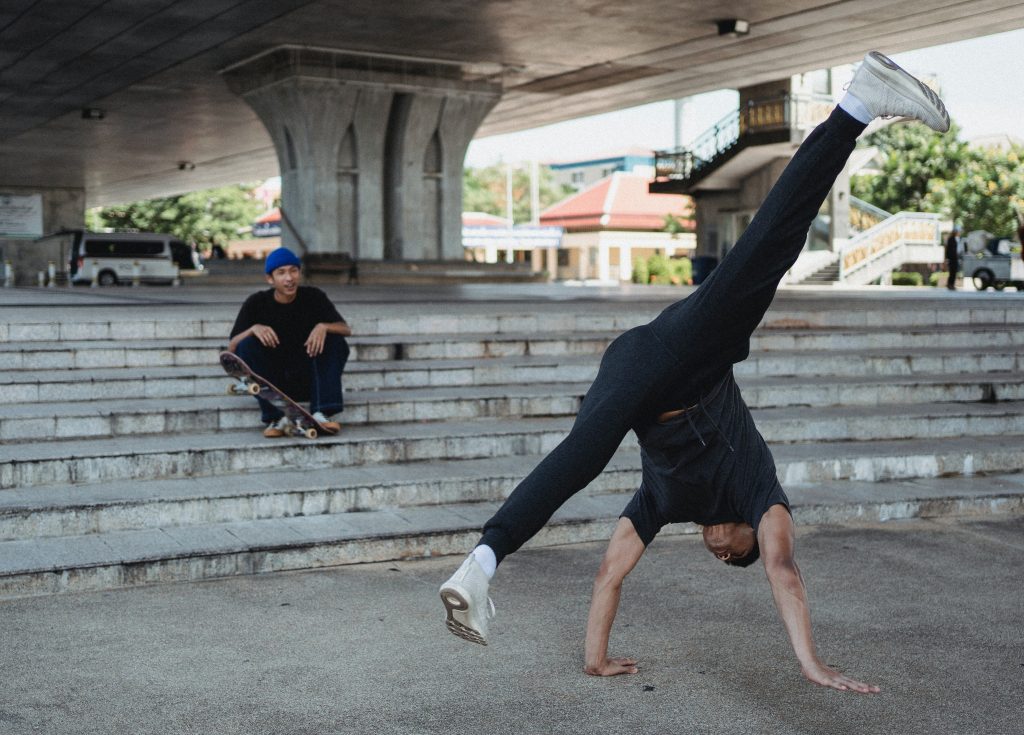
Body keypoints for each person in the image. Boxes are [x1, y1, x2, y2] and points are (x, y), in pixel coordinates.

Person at [439, 51, 950, 693]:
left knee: (583, 455)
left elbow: (609, 574)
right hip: (688, 356)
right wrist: (812, 664)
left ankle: (482, 562)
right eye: (733, 549)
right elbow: (785, 572)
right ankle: (857, 105)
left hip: (630, 369)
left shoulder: (664, 503)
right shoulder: (760, 491)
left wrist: (595, 659)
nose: (716, 546)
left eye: (718, 553)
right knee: (768, 247)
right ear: (748, 536)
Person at [228, 247, 351, 437]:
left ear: (299, 273)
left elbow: (345, 329)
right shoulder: (256, 303)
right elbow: (232, 349)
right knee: (247, 345)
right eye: (281, 273)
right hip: (274, 384)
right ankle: (276, 417)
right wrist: (252, 329)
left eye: (294, 271)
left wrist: (324, 326)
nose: (289, 278)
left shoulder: (314, 297)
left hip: (310, 380)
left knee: (335, 340)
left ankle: (322, 412)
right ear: (270, 279)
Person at [945, 225, 960, 290]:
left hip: (954, 258)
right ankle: (950, 284)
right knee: (952, 272)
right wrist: (947, 258)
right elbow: (948, 249)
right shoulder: (951, 239)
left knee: (953, 272)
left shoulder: (955, 239)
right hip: (952, 258)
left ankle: (951, 284)